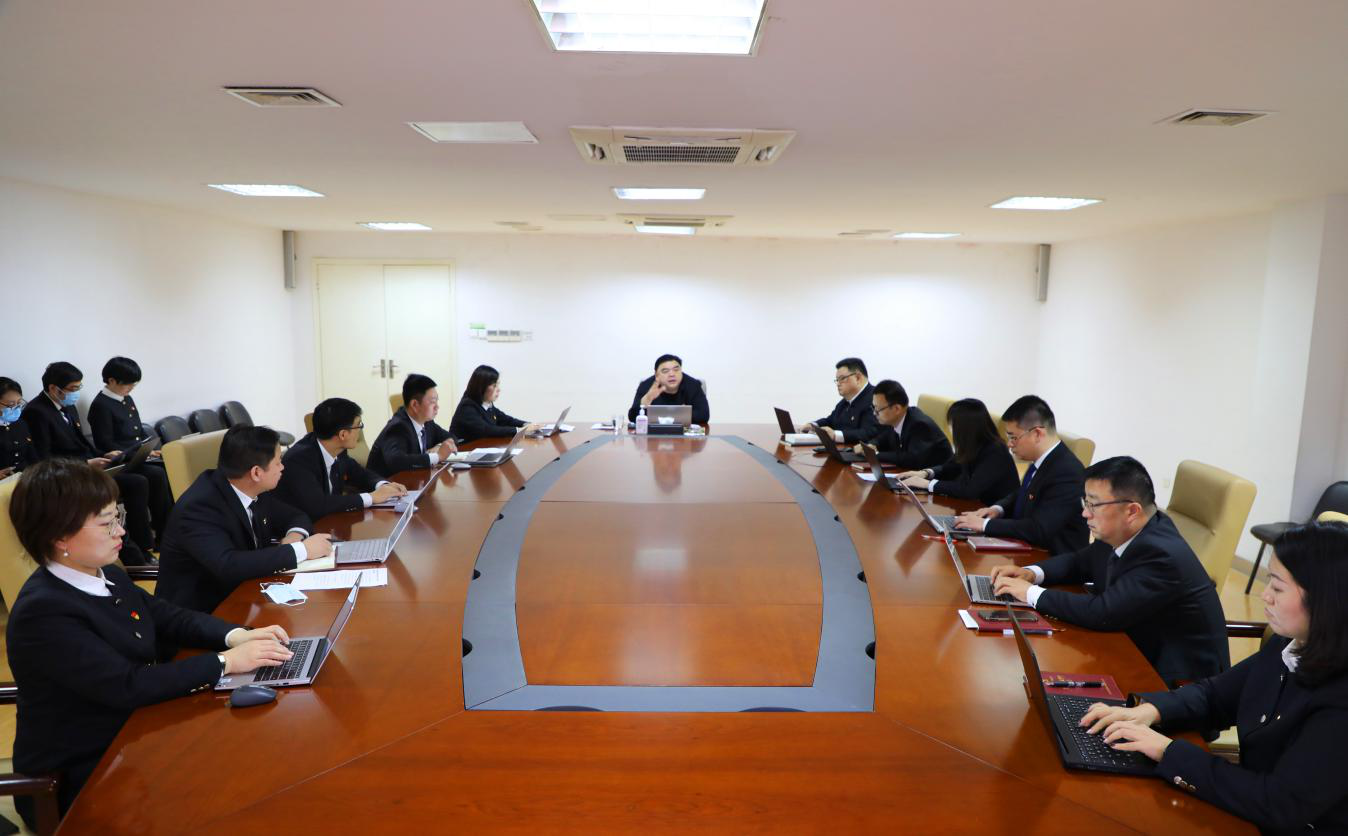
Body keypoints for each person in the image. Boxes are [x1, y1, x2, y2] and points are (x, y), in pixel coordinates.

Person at [5, 458, 293, 827]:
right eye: (107, 523)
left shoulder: (105, 575)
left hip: (137, 732)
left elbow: (168, 616)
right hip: (83, 773)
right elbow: (127, 685)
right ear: (59, 536)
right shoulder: (44, 612)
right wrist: (226, 662)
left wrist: (237, 634)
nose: (121, 531)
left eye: (118, 517)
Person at [1079, 522, 1348, 833]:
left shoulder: (1340, 696)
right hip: (1246, 804)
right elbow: (1215, 695)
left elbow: (1279, 803)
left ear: (1325, 598)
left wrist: (1168, 751)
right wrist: (1149, 711)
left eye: (1277, 587)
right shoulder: (1291, 644)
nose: (1265, 596)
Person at [990, 456, 1228, 685]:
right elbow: (1078, 562)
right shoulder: (1123, 531)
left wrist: (1029, 593)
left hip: (1173, 681)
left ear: (1132, 511)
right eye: (1085, 502)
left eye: (1094, 505)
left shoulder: (1160, 554)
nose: (1085, 513)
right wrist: (1032, 573)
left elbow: (1103, 612)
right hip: (1130, 645)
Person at [156, 425, 330, 615]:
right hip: (202, 613)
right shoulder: (199, 507)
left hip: (248, 593)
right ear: (256, 473)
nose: (282, 467)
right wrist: (302, 550)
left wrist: (293, 537)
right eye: (278, 462)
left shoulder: (252, 488)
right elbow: (228, 564)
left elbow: (296, 516)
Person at [21, 361, 169, 557]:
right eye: (73, 388)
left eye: (78, 387)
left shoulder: (67, 406)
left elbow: (81, 443)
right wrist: (86, 464)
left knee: (155, 475)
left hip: (89, 465)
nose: (77, 393)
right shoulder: (36, 412)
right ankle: (142, 548)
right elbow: (44, 457)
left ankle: (160, 538)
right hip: (69, 474)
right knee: (137, 482)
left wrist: (103, 455)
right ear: (54, 388)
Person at [953, 395, 1090, 554]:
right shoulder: (1044, 460)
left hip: (1049, 557)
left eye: (1013, 437)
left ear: (1037, 434)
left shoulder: (1067, 472)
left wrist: (984, 525)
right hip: (1028, 547)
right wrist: (997, 509)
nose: (1009, 444)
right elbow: (1024, 492)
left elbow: (1038, 528)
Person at [275, 397, 407, 520]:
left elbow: (358, 473)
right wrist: (371, 497)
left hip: (332, 523)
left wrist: (383, 486)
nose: (360, 430)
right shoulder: (299, 460)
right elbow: (318, 505)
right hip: (304, 529)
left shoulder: (338, 449)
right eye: (359, 425)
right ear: (343, 434)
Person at [897, 398, 1019, 506]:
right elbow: (950, 467)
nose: (950, 429)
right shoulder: (972, 444)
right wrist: (925, 473)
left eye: (952, 424)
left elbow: (969, 490)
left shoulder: (995, 451)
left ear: (965, 428)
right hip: (974, 508)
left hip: (992, 514)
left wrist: (927, 484)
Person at [368, 374, 458, 478]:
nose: (437, 407)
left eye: (437, 401)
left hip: (414, 480)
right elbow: (396, 461)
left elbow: (451, 438)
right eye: (433, 402)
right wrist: (437, 456)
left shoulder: (427, 422)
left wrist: (439, 447)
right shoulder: (398, 427)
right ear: (415, 405)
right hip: (387, 483)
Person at [854, 379, 952, 469]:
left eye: (878, 409)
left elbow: (911, 459)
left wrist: (876, 455)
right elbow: (884, 438)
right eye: (874, 407)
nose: (874, 413)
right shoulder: (895, 420)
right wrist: (871, 445)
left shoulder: (919, 425)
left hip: (939, 477)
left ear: (897, 408)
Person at [798, 357, 880, 444]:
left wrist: (835, 435)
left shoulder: (875, 398)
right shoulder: (845, 402)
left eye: (842, 378)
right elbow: (830, 421)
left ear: (857, 377)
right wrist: (813, 425)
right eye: (837, 380)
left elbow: (869, 433)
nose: (838, 384)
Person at [450, 365, 540, 442]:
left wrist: (527, 425)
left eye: (498, 385)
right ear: (481, 386)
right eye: (494, 386)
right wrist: (520, 430)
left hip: (481, 447)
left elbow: (506, 420)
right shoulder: (467, 407)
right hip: (464, 451)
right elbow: (487, 430)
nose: (498, 389)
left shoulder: (486, 404)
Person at [628, 354, 709, 425]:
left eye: (676, 370)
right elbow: (632, 417)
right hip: (654, 435)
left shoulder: (693, 385)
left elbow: (704, 415)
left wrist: (677, 414)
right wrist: (647, 399)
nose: (672, 374)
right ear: (656, 375)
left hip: (684, 434)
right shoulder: (646, 386)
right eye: (665, 371)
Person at [0, 376, 39, 479]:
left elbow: (32, 455)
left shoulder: (20, 424)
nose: (16, 408)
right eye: (11, 405)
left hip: (26, 477)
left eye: (19, 403)